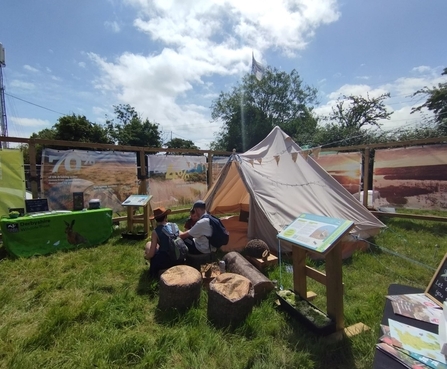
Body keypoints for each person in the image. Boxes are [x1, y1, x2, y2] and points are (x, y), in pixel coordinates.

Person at [144, 207, 181, 278]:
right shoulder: (174, 225)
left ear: (156, 220)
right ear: (165, 217)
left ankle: (154, 275)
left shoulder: (155, 232)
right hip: (178, 258)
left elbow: (151, 254)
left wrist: (146, 256)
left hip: (166, 261)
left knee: (149, 246)